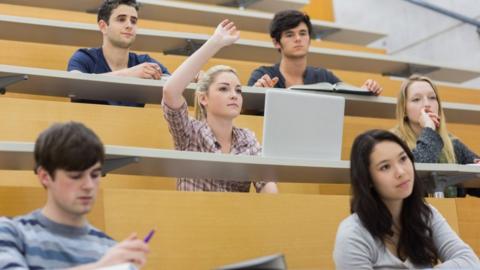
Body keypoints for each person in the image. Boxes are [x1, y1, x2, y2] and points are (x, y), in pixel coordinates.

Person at [0, 122, 149, 269]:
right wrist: (100, 267)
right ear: (45, 176)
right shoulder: (11, 232)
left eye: (95, 174)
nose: (89, 185)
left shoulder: (111, 251)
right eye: (76, 176)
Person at [333, 129, 479, 269]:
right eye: (385, 167)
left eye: (403, 159)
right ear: (368, 179)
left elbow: (470, 262)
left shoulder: (426, 214)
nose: (401, 172)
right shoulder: (353, 234)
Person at [162, 20, 278, 193]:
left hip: (236, 218)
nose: (234, 95)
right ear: (203, 98)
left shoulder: (248, 139)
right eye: (224, 89)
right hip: (193, 217)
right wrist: (215, 42)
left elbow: (269, 190)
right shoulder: (190, 133)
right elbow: (170, 91)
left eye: (238, 91)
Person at [247, 10, 382, 95]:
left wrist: (366, 90)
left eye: (303, 33)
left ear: (309, 39)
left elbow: (349, 96)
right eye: (289, 35)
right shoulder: (263, 75)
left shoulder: (323, 76)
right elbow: (246, 110)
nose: (298, 39)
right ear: (276, 42)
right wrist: (257, 92)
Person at [67, 0, 169, 106]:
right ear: (103, 26)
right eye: (121, 19)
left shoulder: (144, 62)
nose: (129, 25)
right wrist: (129, 74)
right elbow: (75, 86)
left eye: (133, 21)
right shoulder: (84, 57)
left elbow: (175, 84)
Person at [391, 74, 479, 196]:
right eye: (416, 99)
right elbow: (416, 169)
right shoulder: (393, 142)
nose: (427, 104)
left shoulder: (453, 144)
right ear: (404, 109)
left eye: (432, 98)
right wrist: (429, 129)